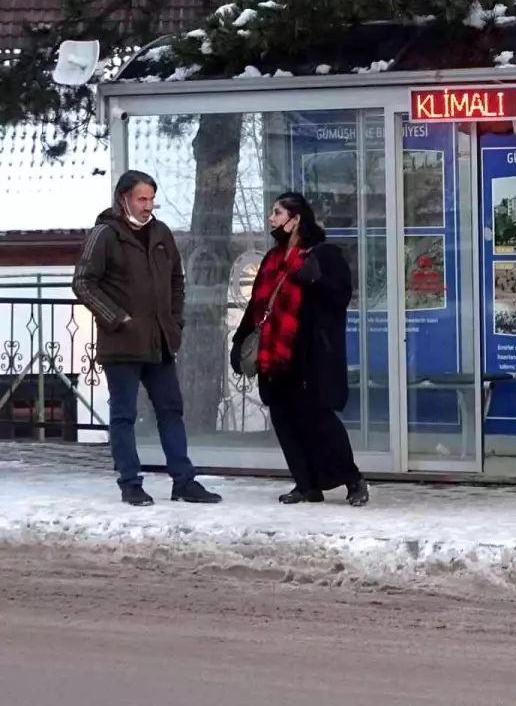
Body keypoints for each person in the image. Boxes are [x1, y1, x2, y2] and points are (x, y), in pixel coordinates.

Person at [72, 170, 222, 506]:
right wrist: (117, 318)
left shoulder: (161, 233)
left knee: (171, 410)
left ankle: (183, 481)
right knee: (124, 415)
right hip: (122, 343)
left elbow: (176, 282)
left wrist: (174, 322)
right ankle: (130, 483)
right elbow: (82, 282)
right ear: (123, 197)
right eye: (142, 198)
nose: (147, 206)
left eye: (151, 199)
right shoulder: (105, 234)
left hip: (160, 341)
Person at [232, 193, 369, 507]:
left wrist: (316, 280)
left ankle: (352, 479)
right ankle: (306, 484)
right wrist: (240, 342)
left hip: (310, 355)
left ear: (296, 220)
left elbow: (340, 298)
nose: (272, 219)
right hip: (274, 355)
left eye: (278, 213)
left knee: (318, 419)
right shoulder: (271, 259)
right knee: (284, 420)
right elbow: (257, 307)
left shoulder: (323, 255)